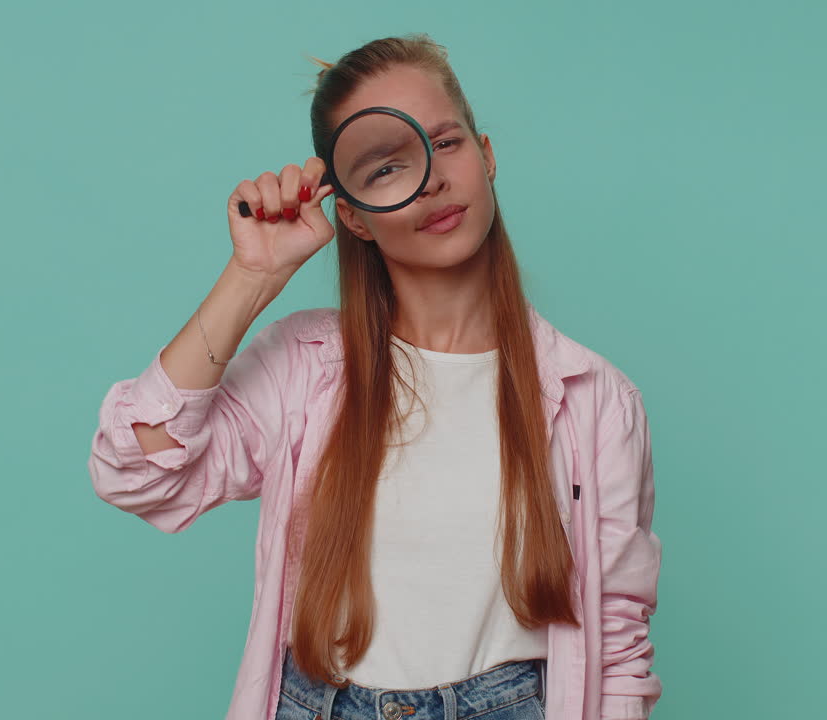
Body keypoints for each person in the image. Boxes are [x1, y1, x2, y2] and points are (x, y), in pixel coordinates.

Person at [88, 33, 663, 720]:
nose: (432, 179)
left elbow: (619, 646)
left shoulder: (596, 399)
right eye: (385, 169)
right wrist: (252, 277)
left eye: (446, 143)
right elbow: (137, 470)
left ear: (486, 155)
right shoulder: (304, 368)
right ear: (353, 215)